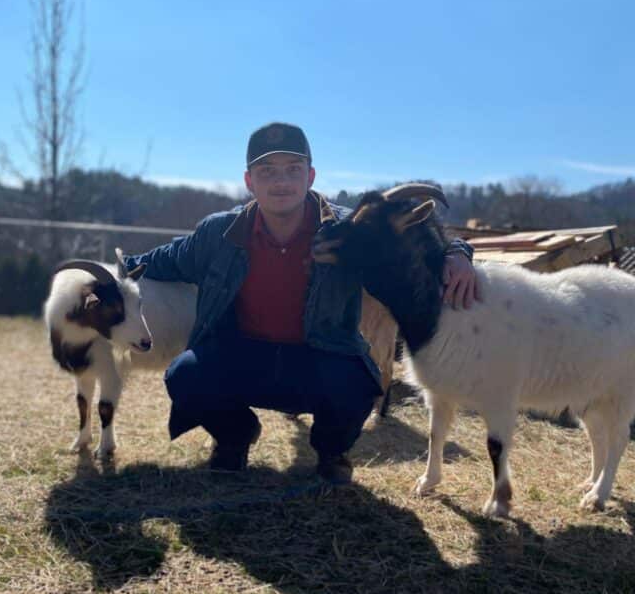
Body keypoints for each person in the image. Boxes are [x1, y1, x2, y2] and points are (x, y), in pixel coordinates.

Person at [126, 123, 477, 485]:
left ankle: (330, 451)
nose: (281, 182)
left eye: (293, 169)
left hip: (318, 357)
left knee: (357, 383)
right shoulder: (220, 232)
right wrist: (107, 275)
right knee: (186, 376)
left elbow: (410, 248)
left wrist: (456, 252)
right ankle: (235, 437)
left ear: (310, 175)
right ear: (249, 181)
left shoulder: (349, 229)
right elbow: (165, 258)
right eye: (267, 171)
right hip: (242, 354)